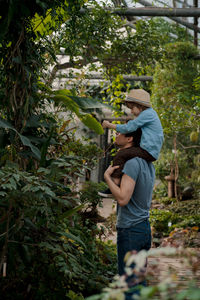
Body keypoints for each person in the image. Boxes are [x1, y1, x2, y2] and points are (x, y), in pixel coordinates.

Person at [104, 130, 155, 299]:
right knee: (138, 285)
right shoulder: (148, 164)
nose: (115, 134)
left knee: (129, 288)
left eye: (119, 132)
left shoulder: (132, 163)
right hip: (143, 229)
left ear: (130, 138)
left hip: (131, 230)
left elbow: (123, 198)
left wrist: (107, 178)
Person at [99, 89, 163, 198]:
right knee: (125, 155)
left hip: (148, 150)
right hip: (149, 150)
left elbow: (129, 127)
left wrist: (110, 125)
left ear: (140, 105)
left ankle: (114, 185)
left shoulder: (147, 114)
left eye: (132, 108)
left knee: (121, 154)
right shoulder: (150, 114)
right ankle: (118, 181)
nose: (131, 112)